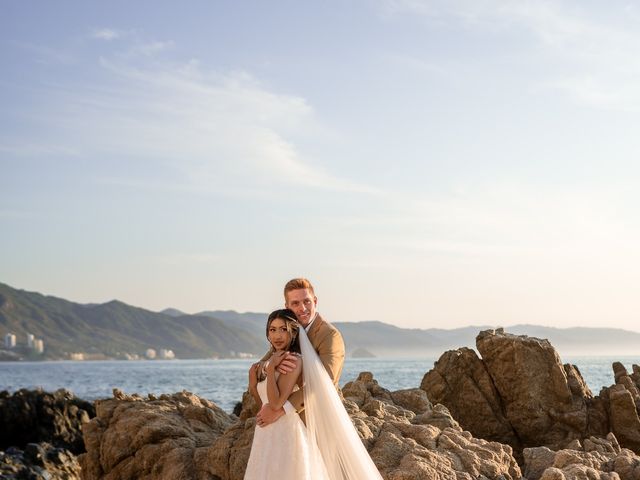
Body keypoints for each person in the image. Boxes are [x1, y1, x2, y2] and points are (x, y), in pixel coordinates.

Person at [244, 309, 330, 479]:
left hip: (286, 433)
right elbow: (263, 405)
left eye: (283, 329)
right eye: (272, 329)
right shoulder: (273, 360)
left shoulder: (294, 360)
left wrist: (269, 370)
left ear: (293, 332)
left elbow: (276, 404)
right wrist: (253, 383)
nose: (277, 335)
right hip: (266, 432)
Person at [256, 278, 345, 427]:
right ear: (287, 306)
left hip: (319, 415)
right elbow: (259, 367)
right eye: (295, 303)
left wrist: (281, 410)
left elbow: (325, 382)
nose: (302, 308)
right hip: (286, 416)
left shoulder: (330, 335)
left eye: (307, 301)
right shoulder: (289, 332)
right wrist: (270, 366)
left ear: (315, 301)